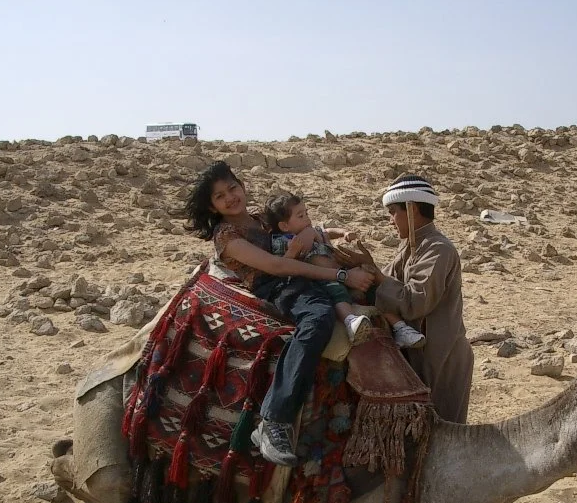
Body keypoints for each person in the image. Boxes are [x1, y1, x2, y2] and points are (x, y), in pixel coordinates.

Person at [184, 162, 374, 467]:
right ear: (213, 206)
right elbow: (276, 267)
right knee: (318, 318)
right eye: (220, 196)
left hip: (298, 275)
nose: (231, 197)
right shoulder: (226, 236)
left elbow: (304, 229)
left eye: (232, 188)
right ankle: (274, 419)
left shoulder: (262, 221)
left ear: (242, 186)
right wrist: (339, 276)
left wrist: (312, 231)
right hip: (275, 286)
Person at [337, 174, 473, 422]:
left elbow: (415, 302)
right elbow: (386, 284)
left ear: (411, 209)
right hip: (422, 352)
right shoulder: (410, 246)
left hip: (442, 356)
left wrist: (376, 275)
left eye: (393, 213)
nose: (391, 221)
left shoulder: (438, 249)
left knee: (443, 431)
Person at [262, 194, 426, 349]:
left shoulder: (311, 230)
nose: (307, 219)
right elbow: (283, 265)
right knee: (336, 291)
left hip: (341, 270)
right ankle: (351, 321)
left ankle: (400, 327)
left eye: (306, 213)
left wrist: (344, 233)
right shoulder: (285, 241)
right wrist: (292, 252)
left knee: (374, 288)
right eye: (300, 216)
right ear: (284, 226)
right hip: (323, 278)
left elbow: (327, 231)